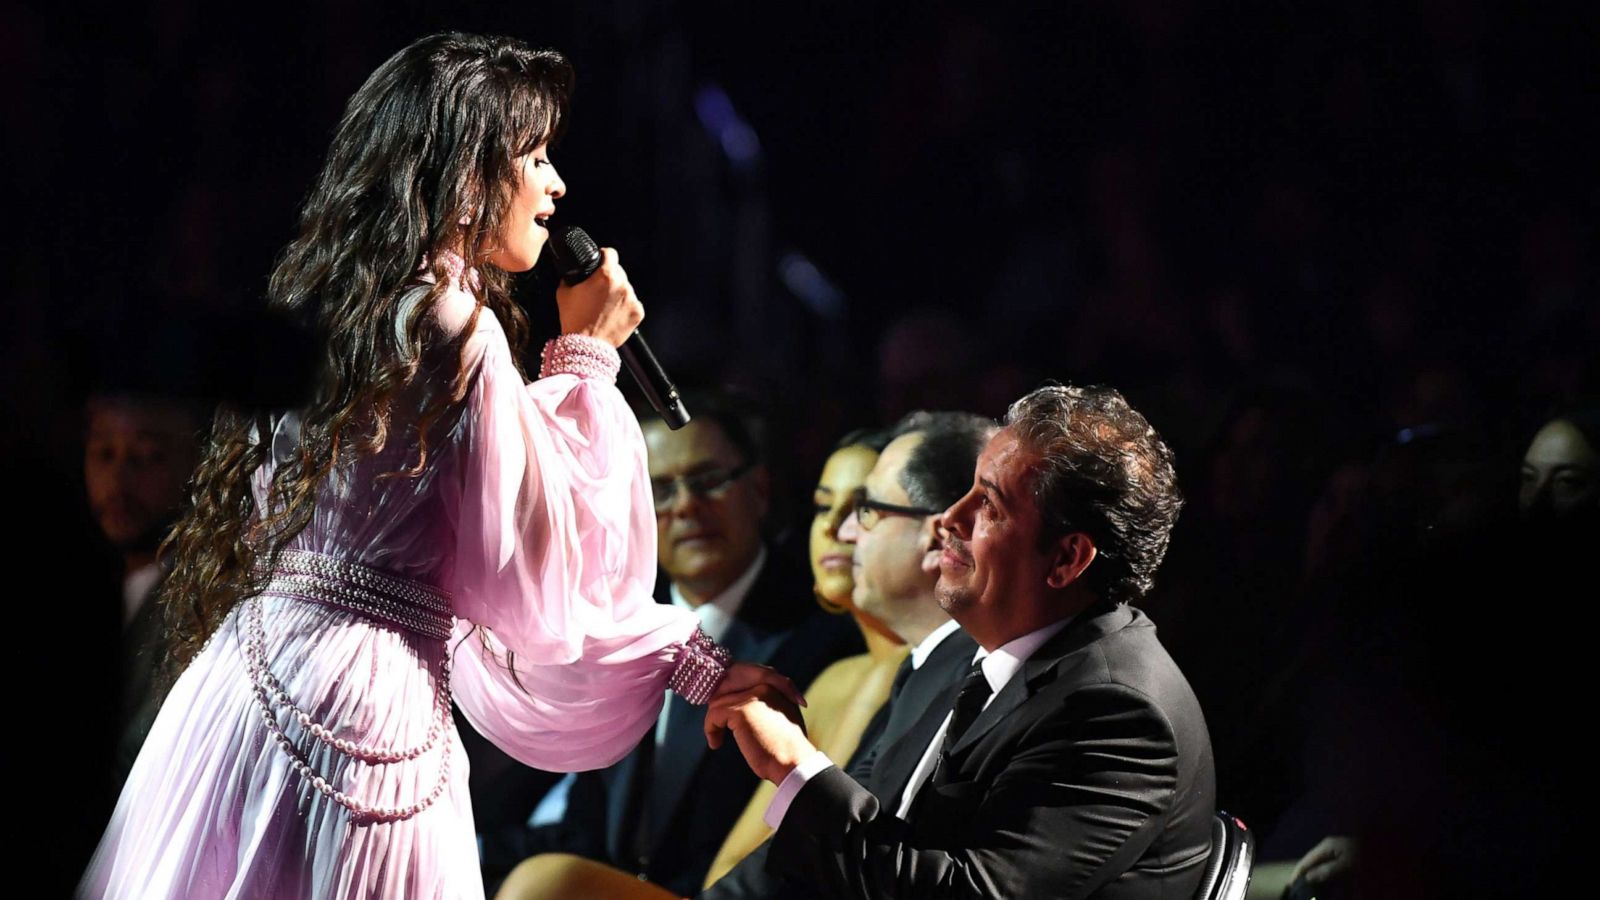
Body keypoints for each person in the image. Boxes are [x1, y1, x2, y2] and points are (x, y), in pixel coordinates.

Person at [79, 32, 793, 900]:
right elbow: (531, 576)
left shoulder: (338, 299)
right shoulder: (453, 323)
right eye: (533, 155)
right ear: (465, 176)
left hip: (254, 673)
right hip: (360, 699)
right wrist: (586, 359)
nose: (556, 185)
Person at [708, 384, 1215, 899]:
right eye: (968, 489)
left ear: (1066, 559)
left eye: (988, 505)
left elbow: (966, 894)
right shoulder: (952, 657)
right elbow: (846, 845)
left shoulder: (1118, 713)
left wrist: (796, 765)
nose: (951, 518)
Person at [484, 398, 860, 897]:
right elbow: (587, 825)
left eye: (708, 481)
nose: (685, 505)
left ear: (760, 489)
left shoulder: (822, 640)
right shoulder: (608, 626)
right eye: (659, 490)